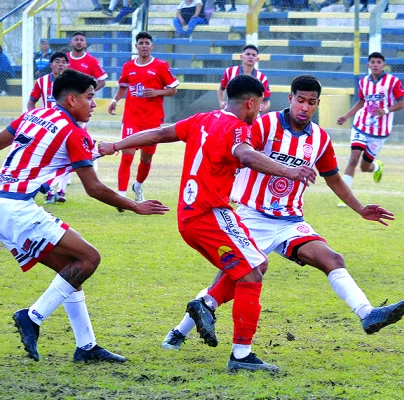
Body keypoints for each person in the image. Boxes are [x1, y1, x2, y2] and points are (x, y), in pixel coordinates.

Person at [0, 69, 169, 363]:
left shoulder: (35, 116)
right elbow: (93, 188)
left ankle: (86, 347)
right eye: (90, 97)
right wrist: (135, 206)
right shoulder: (73, 132)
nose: (94, 104)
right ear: (71, 99)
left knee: (71, 271)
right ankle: (32, 316)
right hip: (18, 210)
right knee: (89, 259)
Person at [162, 75, 404, 354]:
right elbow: (240, 151)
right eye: (300, 100)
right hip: (252, 216)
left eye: (311, 103)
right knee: (227, 279)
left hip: (291, 220)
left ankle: (367, 313)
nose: (304, 107)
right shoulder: (262, 125)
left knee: (332, 258)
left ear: (316, 105)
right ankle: (178, 333)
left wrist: (361, 208)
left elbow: (334, 179)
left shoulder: (319, 139)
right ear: (290, 98)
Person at [99, 75, 317, 371]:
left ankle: (206, 305)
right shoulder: (238, 128)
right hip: (210, 214)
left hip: (190, 217)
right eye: (260, 105)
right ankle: (241, 355)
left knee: (257, 266)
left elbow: (161, 134)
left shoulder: (202, 119)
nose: (261, 111)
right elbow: (247, 154)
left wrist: (116, 145)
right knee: (251, 277)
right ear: (251, 103)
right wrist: (288, 171)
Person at [108, 31, 179, 209]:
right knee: (126, 156)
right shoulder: (128, 67)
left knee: (146, 159)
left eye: (147, 43)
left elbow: (173, 90)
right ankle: (122, 198)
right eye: (141, 43)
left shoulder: (160, 66)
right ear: (136, 46)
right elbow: (123, 86)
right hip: (132, 118)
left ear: (152, 46)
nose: (144, 45)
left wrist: (157, 92)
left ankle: (137, 186)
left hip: (152, 120)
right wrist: (115, 100)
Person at [336, 52, 404, 207]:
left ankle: (376, 167)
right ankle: (345, 196)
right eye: (372, 62)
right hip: (361, 125)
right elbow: (361, 102)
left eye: (378, 62)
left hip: (380, 132)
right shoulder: (363, 82)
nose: (375, 64)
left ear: (384, 65)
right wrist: (347, 116)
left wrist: (385, 111)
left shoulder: (393, 82)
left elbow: (401, 104)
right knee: (353, 158)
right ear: (368, 65)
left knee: (364, 166)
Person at [27, 52, 71, 204]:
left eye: (64, 62)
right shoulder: (42, 82)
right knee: (48, 160)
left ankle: (61, 191)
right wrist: (33, 117)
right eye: (57, 61)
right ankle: (50, 191)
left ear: (67, 65)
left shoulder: (73, 83)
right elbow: (31, 101)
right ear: (51, 64)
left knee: (67, 159)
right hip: (49, 128)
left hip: (67, 127)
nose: (61, 64)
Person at [217, 45, 271, 113]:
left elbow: (267, 102)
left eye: (253, 55)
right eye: (248, 54)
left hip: (251, 116)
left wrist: (264, 107)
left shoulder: (262, 78)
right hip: (231, 113)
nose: (250, 57)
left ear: (257, 59)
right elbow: (221, 89)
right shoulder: (230, 71)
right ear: (241, 57)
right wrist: (221, 101)